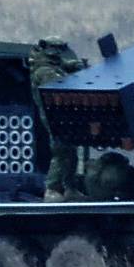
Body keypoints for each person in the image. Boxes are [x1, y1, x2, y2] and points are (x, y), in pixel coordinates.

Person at [26, 37, 88, 200]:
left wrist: (75, 66)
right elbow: (58, 85)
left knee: (70, 149)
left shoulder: (51, 65)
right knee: (60, 150)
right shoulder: (44, 71)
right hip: (53, 116)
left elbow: (63, 65)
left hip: (62, 114)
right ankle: (52, 188)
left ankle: (70, 187)